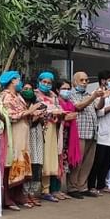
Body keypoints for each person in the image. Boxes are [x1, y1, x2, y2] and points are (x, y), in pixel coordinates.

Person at [0, 72, 35, 210]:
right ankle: (7, 198)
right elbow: (9, 115)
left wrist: (32, 113)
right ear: (13, 81)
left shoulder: (18, 96)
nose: (20, 82)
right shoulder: (6, 96)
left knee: (22, 162)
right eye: (19, 79)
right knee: (12, 162)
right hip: (13, 132)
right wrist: (29, 112)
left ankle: (18, 194)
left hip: (23, 132)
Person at [67, 71, 104, 198]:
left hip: (92, 133)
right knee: (77, 162)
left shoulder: (89, 94)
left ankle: (82, 186)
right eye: (81, 80)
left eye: (86, 80)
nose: (84, 83)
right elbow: (78, 106)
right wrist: (93, 96)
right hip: (80, 133)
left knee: (88, 162)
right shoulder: (72, 94)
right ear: (74, 82)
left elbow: (98, 107)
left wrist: (102, 97)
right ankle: (72, 187)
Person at [88, 70, 110, 195]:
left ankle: (102, 185)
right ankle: (91, 185)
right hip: (101, 133)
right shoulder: (95, 93)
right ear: (103, 81)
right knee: (97, 162)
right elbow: (99, 112)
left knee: (108, 162)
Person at [34, 72, 65, 202]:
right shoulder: (34, 94)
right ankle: (34, 190)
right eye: (44, 82)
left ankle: (46, 190)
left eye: (49, 83)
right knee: (39, 157)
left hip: (52, 129)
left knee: (49, 157)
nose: (46, 85)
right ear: (39, 81)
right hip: (39, 127)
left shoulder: (53, 96)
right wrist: (51, 112)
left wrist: (59, 114)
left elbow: (59, 109)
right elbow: (37, 109)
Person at [58, 80, 83, 199]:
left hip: (69, 135)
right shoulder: (56, 102)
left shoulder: (70, 104)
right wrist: (65, 118)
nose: (66, 91)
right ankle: (55, 189)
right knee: (58, 162)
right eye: (64, 89)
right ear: (58, 90)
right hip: (58, 135)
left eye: (68, 89)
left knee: (65, 163)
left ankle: (60, 189)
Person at [21, 83, 45, 205]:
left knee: (37, 164)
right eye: (25, 89)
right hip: (26, 136)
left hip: (38, 135)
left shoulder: (37, 104)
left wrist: (41, 116)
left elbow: (43, 120)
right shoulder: (20, 104)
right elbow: (24, 120)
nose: (28, 91)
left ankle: (34, 193)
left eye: (30, 89)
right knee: (27, 164)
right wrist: (32, 116)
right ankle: (24, 194)